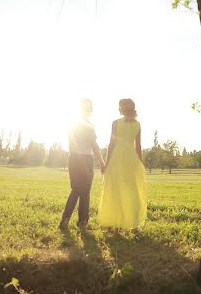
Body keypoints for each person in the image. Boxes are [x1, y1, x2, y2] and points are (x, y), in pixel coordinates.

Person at [98, 98, 147, 229]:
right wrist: (140, 164)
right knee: (132, 190)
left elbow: (111, 144)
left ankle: (113, 225)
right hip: (131, 158)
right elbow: (138, 147)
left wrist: (106, 164)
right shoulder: (138, 124)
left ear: (122, 109)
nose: (119, 108)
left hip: (117, 158)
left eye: (120, 106)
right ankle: (133, 225)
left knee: (114, 189)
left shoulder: (116, 123)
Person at [59, 99, 106, 230]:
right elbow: (94, 145)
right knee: (84, 191)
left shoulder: (71, 123)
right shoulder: (88, 125)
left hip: (73, 158)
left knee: (76, 189)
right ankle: (82, 222)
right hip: (84, 159)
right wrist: (102, 162)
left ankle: (66, 219)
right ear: (89, 110)